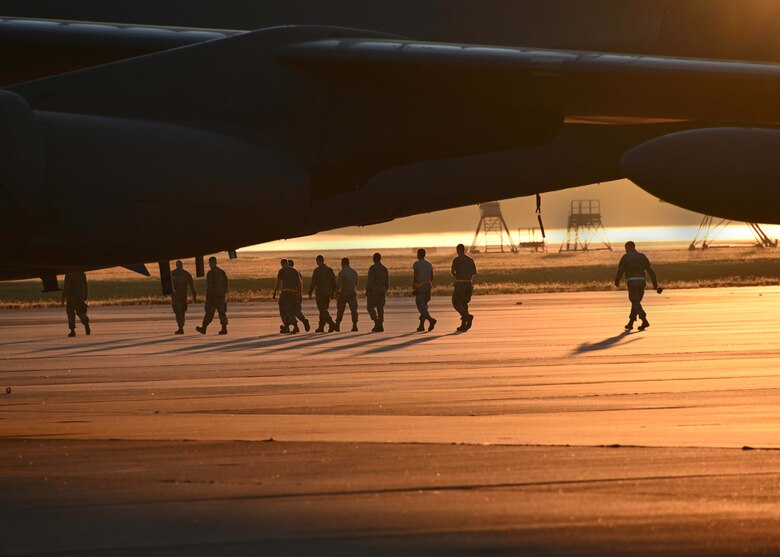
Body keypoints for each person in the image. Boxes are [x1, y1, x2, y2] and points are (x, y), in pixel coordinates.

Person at [614, 241, 663, 331]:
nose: (625, 250)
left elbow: (620, 269)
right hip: (641, 282)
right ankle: (631, 323)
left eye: (626, 248)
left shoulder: (626, 257)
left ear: (628, 247)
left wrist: (617, 280)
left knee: (634, 301)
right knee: (636, 302)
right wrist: (655, 285)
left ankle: (644, 319)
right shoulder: (642, 256)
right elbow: (650, 271)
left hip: (632, 282)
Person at [196, 256, 228, 335]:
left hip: (213, 297)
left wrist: (208, 298)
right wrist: (223, 293)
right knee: (222, 313)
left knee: (209, 313)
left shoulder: (210, 273)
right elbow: (226, 284)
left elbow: (210, 287)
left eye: (210, 263)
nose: (210, 264)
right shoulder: (222, 272)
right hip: (221, 296)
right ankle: (224, 329)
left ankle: (204, 328)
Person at [450, 244, 477, 332]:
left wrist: (456, 275)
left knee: (456, 302)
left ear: (458, 250)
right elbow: (474, 273)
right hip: (468, 284)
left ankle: (467, 317)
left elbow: (453, 272)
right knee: (464, 304)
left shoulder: (456, 259)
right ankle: (463, 324)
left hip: (460, 284)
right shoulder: (470, 260)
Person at [308, 255, 337, 333]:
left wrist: (310, 291)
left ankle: (332, 324)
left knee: (322, 310)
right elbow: (334, 282)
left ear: (318, 261)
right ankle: (321, 327)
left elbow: (313, 282)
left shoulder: (317, 270)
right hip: (328, 293)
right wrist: (334, 292)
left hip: (320, 293)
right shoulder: (329, 270)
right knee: (323, 310)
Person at [272, 258, 302, 334]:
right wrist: (300, 293)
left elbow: (278, 282)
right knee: (292, 309)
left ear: (282, 264)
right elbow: (299, 283)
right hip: (294, 293)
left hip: (286, 293)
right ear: (287, 263)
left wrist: (274, 292)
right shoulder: (294, 270)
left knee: (285, 310)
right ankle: (287, 326)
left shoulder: (282, 271)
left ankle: (293, 326)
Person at [412, 248, 437, 332]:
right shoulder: (429, 264)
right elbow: (432, 277)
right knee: (424, 306)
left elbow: (415, 276)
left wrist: (414, 286)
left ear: (418, 255)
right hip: (428, 285)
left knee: (420, 305)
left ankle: (431, 320)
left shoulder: (416, 264)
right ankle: (421, 325)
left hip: (420, 286)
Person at [170, 260, 197, 335]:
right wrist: (194, 295)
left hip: (181, 296)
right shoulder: (176, 273)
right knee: (179, 311)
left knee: (181, 311)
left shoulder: (177, 273)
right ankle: (181, 327)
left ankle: (181, 327)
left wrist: (194, 295)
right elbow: (192, 286)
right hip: (177, 296)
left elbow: (192, 285)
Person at [366, 252, 389, 332]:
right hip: (382, 290)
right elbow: (387, 282)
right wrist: (385, 290)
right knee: (380, 308)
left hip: (374, 290)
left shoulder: (372, 268)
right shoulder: (384, 269)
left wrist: (368, 290)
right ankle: (380, 324)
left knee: (370, 307)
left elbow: (370, 281)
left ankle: (376, 322)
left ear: (373, 259)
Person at [62, 271, 90, 337]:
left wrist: (63, 297)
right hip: (80, 296)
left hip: (71, 296)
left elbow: (66, 286)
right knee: (81, 312)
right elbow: (85, 285)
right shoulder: (82, 273)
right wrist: (85, 296)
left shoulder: (69, 273)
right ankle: (85, 323)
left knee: (70, 313)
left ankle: (72, 331)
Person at [335, 257, 359, 332]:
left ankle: (337, 324)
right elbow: (356, 283)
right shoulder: (354, 272)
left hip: (344, 293)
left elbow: (338, 284)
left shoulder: (342, 272)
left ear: (342, 263)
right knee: (354, 310)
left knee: (340, 310)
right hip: (352, 292)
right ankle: (354, 325)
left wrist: (336, 292)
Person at [287, 260, 311, 332]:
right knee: (295, 311)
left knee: (291, 311)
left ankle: (296, 326)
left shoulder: (289, 273)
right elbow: (300, 284)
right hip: (296, 294)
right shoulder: (297, 272)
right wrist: (300, 294)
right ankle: (302, 321)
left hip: (292, 295)